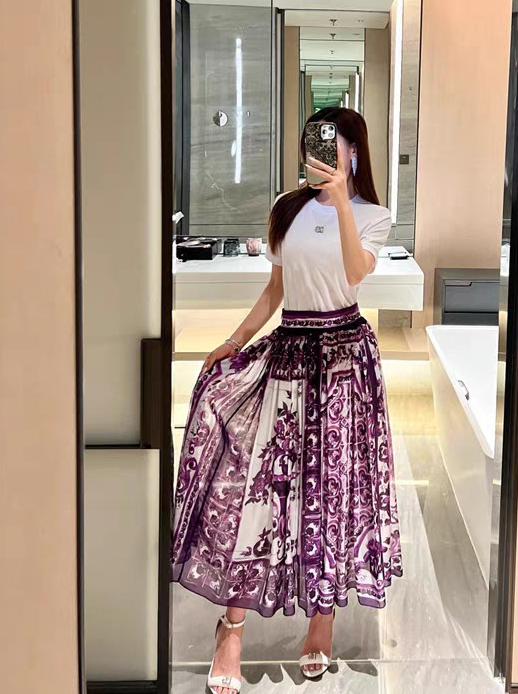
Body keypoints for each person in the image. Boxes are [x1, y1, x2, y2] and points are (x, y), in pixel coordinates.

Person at [171, 107, 403, 692]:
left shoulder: (374, 216)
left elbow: (355, 274)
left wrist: (343, 202)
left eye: (334, 143)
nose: (321, 153)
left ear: (355, 152)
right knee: (264, 486)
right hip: (292, 351)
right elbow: (275, 288)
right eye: (314, 142)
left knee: (333, 488)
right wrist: (233, 341)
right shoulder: (286, 208)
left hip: (345, 360)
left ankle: (322, 621)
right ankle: (231, 628)